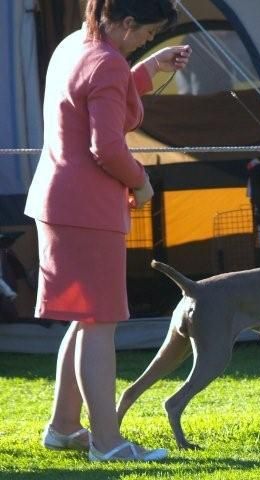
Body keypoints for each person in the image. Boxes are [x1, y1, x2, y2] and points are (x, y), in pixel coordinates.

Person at [24, 0, 191, 462]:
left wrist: (148, 67)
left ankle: (63, 427)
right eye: (147, 35)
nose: (146, 42)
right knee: (101, 323)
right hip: (88, 209)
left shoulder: (74, 45)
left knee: (85, 317)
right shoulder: (108, 62)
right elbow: (108, 147)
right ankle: (107, 442)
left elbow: (100, 93)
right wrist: (141, 181)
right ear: (128, 22)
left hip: (56, 201)